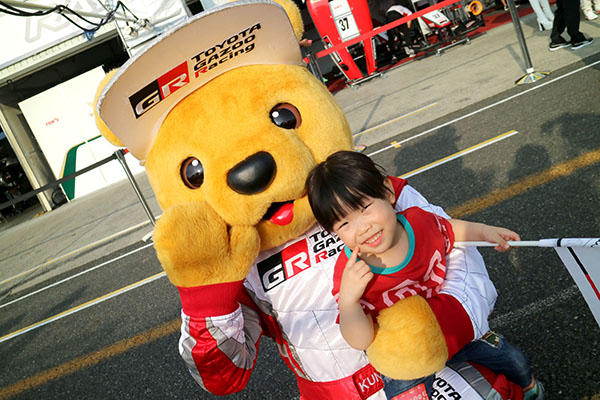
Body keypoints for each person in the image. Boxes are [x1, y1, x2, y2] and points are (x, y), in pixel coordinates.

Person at [306, 150, 544, 400]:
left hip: (449, 327)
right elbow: (361, 340)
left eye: (365, 208)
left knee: (513, 360)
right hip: (404, 357)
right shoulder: (351, 272)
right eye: (344, 224)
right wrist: (349, 302)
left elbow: (449, 230)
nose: (362, 228)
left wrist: (484, 231)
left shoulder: (419, 223)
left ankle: (530, 390)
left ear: (387, 192)